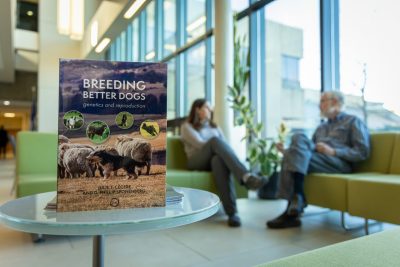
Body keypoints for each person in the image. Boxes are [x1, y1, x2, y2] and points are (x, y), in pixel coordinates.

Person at [267, 91, 370, 229]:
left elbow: (363, 151)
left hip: (339, 163)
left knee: (295, 150)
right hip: (318, 161)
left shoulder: (353, 121)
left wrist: (333, 151)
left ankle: (293, 208)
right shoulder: (321, 127)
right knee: (299, 137)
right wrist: (286, 152)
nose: (319, 105)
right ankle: (297, 199)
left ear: (334, 102)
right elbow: (303, 153)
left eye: (322, 101)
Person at [181, 99, 266, 227]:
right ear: (197, 109)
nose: (210, 110)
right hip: (197, 160)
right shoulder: (187, 126)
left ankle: (232, 214)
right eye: (207, 107)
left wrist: (219, 150)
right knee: (215, 142)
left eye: (210, 108)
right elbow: (200, 144)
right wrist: (215, 145)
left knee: (218, 161)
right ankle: (246, 176)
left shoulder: (215, 127)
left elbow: (225, 146)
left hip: (213, 159)